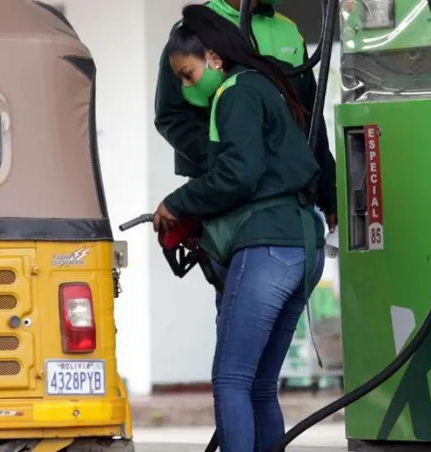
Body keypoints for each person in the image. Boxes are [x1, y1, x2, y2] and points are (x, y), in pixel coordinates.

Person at [152, 5, 330, 451]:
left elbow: (239, 174)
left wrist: (178, 201)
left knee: (231, 379)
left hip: (267, 245)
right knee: (259, 386)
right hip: (303, 247)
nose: (187, 87)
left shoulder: (235, 93)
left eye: (189, 75)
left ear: (213, 57)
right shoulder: (264, 86)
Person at [153, 0, 337, 230]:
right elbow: (172, 116)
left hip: (287, 197)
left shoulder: (288, 30)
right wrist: (226, 165)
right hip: (228, 200)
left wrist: (329, 189)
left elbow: (309, 113)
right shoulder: (194, 29)